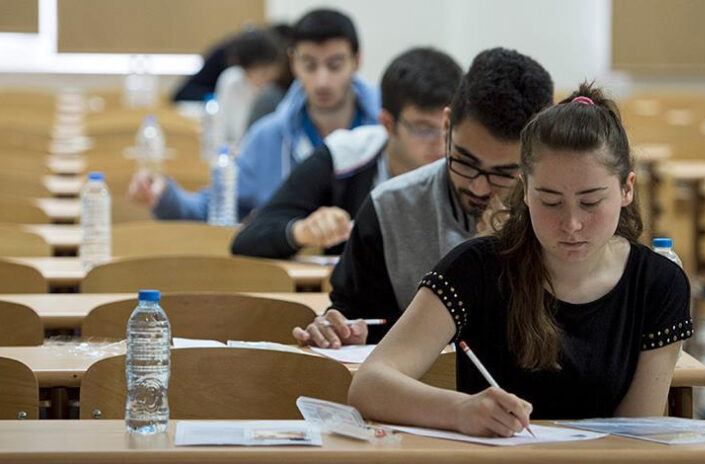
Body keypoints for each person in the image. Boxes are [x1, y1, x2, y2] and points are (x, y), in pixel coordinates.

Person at [348, 84, 692, 435]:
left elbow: (635, 434)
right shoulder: (476, 268)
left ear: (626, 189)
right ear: (524, 189)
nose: (571, 224)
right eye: (550, 201)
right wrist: (460, 410)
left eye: (590, 202)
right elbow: (369, 385)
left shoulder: (659, 283)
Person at [293, 47, 553, 347]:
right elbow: (358, 315)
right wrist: (337, 329)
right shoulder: (389, 208)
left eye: (504, 173)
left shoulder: (565, 221)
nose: (480, 188)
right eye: (465, 162)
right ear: (446, 126)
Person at [129, 9, 380, 221]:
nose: (322, 80)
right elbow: (215, 209)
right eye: (310, 65)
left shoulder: (386, 131)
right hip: (290, 276)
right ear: (292, 62)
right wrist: (164, 195)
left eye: (335, 65)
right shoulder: (268, 137)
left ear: (357, 61)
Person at [231, 47, 463, 259]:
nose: (441, 142)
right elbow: (249, 239)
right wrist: (302, 230)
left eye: (448, 128)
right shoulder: (345, 156)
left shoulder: (471, 169)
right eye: (423, 129)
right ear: (387, 124)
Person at [214, 27, 284, 145]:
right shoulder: (231, 80)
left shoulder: (277, 91)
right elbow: (219, 130)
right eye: (261, 72)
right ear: (244, 69)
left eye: (269, 71)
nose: (266, 78)